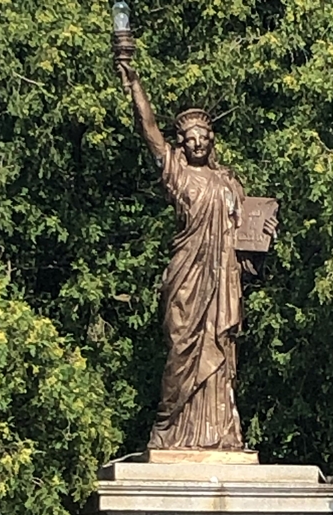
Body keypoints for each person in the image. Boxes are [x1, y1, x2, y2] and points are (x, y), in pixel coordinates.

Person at [116, 60, 277, 450]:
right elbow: (150, 131)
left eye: (204, 136)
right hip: (187, 278)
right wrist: (135, 84)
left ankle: (220, 433)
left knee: (220, 351)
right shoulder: (178, 174)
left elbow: (244, 245)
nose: (198, 143)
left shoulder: (228, 183)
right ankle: (169, 426)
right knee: (181, 347)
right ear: (182, 144)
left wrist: (263, 241)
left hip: (223, 282)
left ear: (212, 140)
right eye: (190, 138)